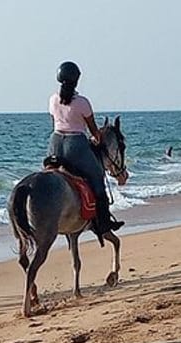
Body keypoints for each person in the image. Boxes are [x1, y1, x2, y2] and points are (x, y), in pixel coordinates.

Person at [48, 61, 123, 237]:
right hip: (76, 145)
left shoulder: (52, 99)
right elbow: (93, 130)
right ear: (76, 80)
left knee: (49, 172)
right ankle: (104, 223)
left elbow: (58, 120)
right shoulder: (82, 102)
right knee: (97, 178)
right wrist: (97, 140)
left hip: (54, 143)